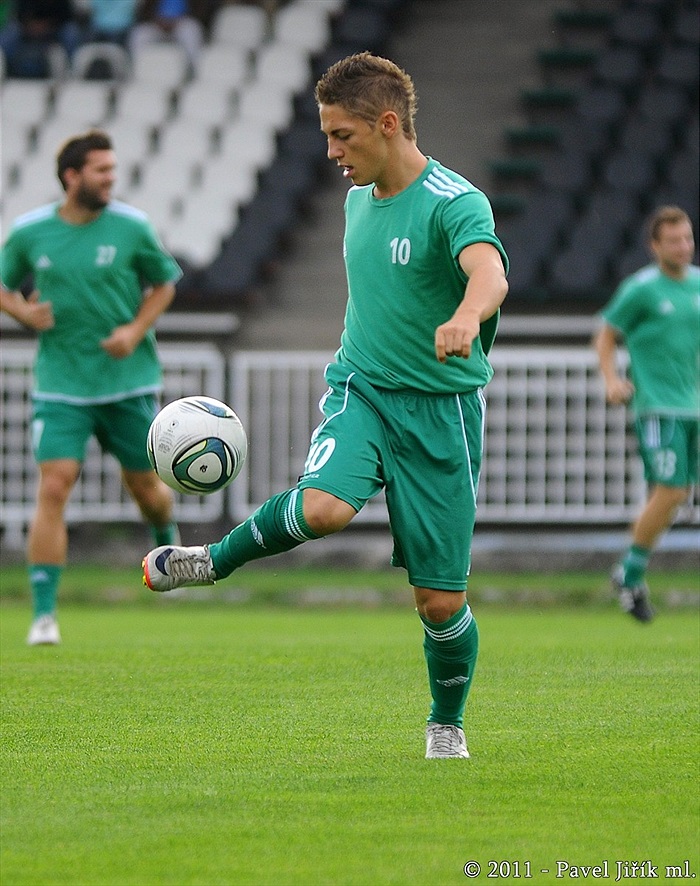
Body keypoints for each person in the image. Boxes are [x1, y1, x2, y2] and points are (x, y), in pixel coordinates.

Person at [142, 52, 509, 759]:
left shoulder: (453, 201)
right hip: (362, 391)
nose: (332, 152)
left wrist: (467, 316)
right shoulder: (352, 199)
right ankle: (212, 561)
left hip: (442, 415)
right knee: (324, 508)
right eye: (327, 135)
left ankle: (446, 721)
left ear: (388, 123)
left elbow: (488, 272)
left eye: (342, 135)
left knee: (439, 604)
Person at [0, 129, 183, 646]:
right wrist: (21, 310)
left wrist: (133, 329)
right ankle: (42, 616)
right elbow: (3, 284)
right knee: (54, 485)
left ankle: (164, 541)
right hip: (60, 386)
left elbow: (164, 282)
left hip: (127, 384)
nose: (111, 178)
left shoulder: (131, 227)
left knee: (148, 490)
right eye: (101, 170)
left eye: (112, 170)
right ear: (71, 177)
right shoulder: (30, 232)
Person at [594, 206, 699, 623]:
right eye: (674, 240)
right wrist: (612, 380)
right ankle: (630, 570)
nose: (683, 246)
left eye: (687, 237)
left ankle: (630, 573)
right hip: (658, 405)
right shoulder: (641, 289)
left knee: (676, 494)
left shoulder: (697, 286)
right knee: (671, 490)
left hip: (692, 406)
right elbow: (605, 334)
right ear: (655, 246)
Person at [0, 0, 83, 77]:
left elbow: (66, 17)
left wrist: (46, 26)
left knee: (71, 32)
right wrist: (33, 26)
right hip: (27, 30)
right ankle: (3, 70)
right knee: (9, 33)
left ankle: (71, 72)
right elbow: (20, 16)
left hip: (54, 31)